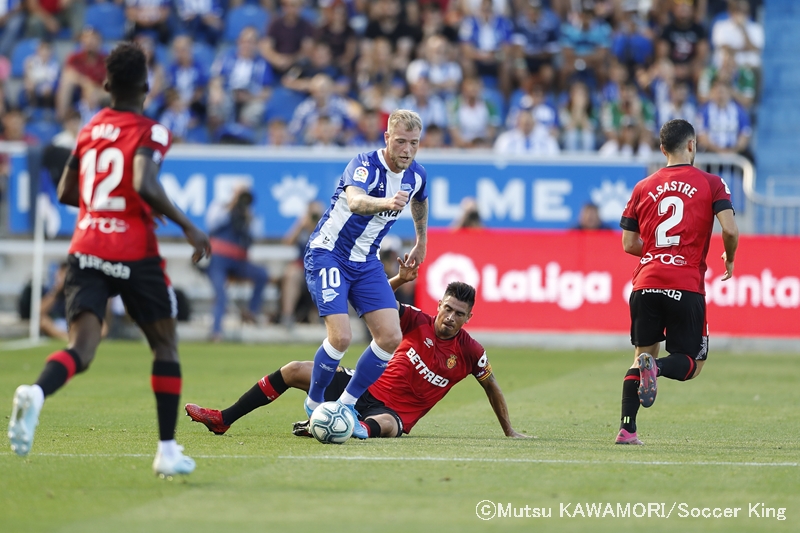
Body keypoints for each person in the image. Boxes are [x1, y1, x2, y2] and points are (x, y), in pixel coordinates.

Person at [7, 43, 212, 477]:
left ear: (105, 84)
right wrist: (187, 224)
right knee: (164, 345)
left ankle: (36, 393)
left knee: (81, 347)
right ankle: (167, 449)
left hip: (86, 246)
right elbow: (143, 179)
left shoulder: (91, 127)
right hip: (133, 250)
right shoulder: (152, 131)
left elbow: (66, 192)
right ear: (147, 85)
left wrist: (105, 205)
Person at [185, 264, 529, 440]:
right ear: (438, 305)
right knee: (294, 370)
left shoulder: (470, 351)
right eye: (448, 309)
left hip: (394, 414)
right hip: (361, 386)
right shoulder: (415, 319)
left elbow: (492, 386)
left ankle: (323, 425)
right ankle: (223, 419)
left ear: (469, 318)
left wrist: (509, 431)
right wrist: (396, 278)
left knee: (381, 426)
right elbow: (373, 303)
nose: (451, 318)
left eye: (459, 314)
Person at [299, 109, 428, 439]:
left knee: (390, 337)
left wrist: (421, 241)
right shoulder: (363, 164)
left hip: (366, 261)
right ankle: (314, 406)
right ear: (387, 138)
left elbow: (419, 201)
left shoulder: (417, 175)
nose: (407, 150)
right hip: (329, 253)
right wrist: (386, 203)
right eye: (400, 142)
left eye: (413, 143)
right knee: (340, 337)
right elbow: (355, 201)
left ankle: (345, 406)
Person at [616, 118, 739, 445]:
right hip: (685, 283)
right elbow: (729, 229)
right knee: (691, 363)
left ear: (661, 149)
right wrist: (730, 256)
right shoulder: (712, 182)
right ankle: (654, 367)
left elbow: (628, 243)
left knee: (640, 356)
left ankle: (627, 429)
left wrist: (657, 253)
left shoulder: (643, 186)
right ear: (691, 145)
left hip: (646, 281)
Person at [205, 184, 268, 341]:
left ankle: (251, 312)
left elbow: (257, 235)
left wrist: (248, 216)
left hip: (239, 261)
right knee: (221, 294)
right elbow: (212, 223)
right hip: (219, 260)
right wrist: (232, 205)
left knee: (262, 275)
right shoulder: (220, 207)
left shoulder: (249, 214)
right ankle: (216, 331)